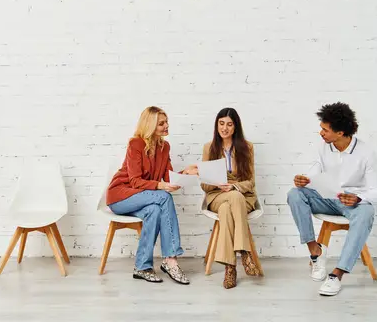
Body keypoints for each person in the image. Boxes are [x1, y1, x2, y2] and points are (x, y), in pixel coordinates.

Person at [287, 102, 377, 296]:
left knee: (367, 212)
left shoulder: (366, 153)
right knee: (294, 194)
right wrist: (306, 180)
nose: (321, 133)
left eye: (325, 130)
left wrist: (357, 198)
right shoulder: (324, 147)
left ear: (341, 132)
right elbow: (316, 168)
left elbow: (375, 191)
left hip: (351, 204)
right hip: (327, 199)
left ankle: (337, 275)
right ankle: (316, 252)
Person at [106, 106, 198, 284]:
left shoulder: (165, 147)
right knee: (163, 197)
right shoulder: (136, 144)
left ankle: (142, 266)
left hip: (142, 198)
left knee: (155, 210)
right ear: (150, 126)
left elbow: (167, 178)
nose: (166, 126)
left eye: (166, 122)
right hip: (120, 196)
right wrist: (161, 186)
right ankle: (171, 260)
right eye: (161, 123)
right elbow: (134, 181)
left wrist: (185, 173)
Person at [201, 108, 261, 289]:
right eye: (221, 123)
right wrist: (218, 185)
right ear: (216, 124)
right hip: (217, 194)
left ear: (235, 127)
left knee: (229, 207)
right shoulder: (208, 148)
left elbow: (250, 182)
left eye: (229, 124)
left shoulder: (247, 147)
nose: (224, 128)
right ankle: (244, 251)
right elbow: (204, 184)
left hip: (242, 196)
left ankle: (230, 268)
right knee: (229, 200)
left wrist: (234, 186)